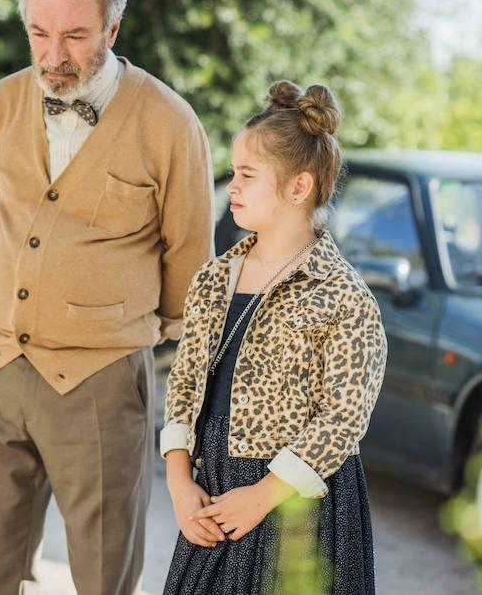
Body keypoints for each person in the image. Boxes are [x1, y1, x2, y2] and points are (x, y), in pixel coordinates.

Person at [0, 0, 214, 595]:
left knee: (104, 574)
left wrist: (115, 323)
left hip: (101, 380)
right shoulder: (1, 102)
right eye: (38, 33)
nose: (52, 55)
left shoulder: (169, 124)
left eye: (74, 35)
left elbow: (190, 263)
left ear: (113, 25)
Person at [160, 81, 388, 594]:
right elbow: (185, 381)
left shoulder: (344, 295)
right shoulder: (215, 278)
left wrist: (262, 495)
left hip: (298, 507)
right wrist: (179, 481)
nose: (231, 186)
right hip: (212, 488)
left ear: (298, 187)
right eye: (232, 173)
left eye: (246, 175)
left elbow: (344, 418)